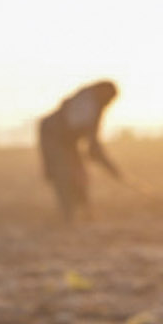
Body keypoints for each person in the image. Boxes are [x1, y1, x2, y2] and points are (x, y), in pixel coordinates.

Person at [37, 80, 122, 221]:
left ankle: (85, 213)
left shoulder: (93, 103)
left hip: (67, 140)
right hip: (54, 135)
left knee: (79, 174)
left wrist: (108, 165)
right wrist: (110, 167)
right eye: (110, 99)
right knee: (64, 174)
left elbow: (91, 144)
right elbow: (91, 144)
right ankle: (68, 216)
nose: (110, 103)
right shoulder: (88, 103)